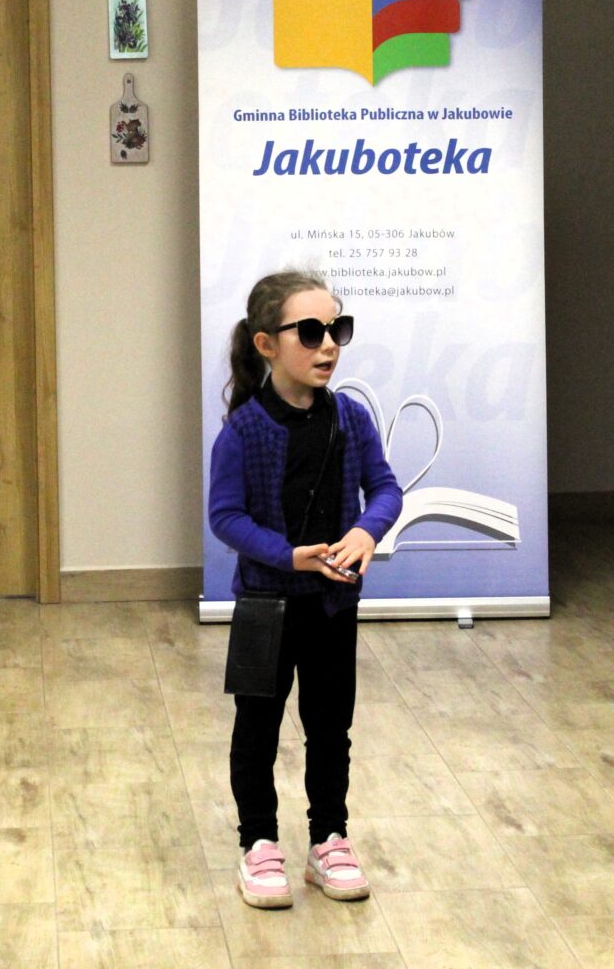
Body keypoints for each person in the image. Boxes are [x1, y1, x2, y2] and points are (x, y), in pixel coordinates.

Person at [208, 270, 402, 909]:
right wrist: (289, 556)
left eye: (337, 330)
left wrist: (366, 531)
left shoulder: (350, 418)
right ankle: (259, 843)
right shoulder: (242, 431)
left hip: (332, 605)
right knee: (256, 728)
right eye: (311, 332)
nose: (329, 346)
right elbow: (226, 517)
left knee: (330, 726)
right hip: (263, 606)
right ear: (266, 344)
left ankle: (329, 839)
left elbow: (386, 488)